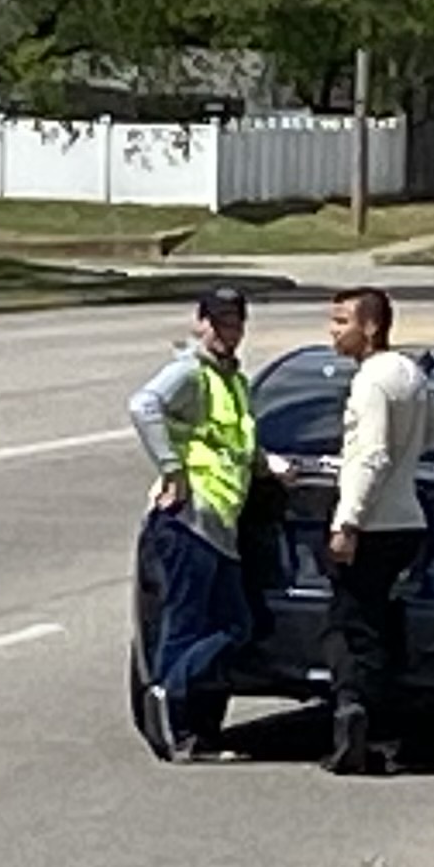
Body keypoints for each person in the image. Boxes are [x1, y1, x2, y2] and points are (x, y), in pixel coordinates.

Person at [127, 288, 265, 761]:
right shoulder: (190, 371)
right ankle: (169, 711)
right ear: (200, 322)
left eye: (235, 322)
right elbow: (143, 407)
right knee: (186, 626)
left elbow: (235, 444)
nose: (228, 331)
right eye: (220, 321)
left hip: (219, 524)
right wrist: (172, 469)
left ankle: (185, 714)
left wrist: (271, 466)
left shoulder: (232, 380)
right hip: (188, 521)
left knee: (234, 625)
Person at [319, 285, 434, 776]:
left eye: (342, 321)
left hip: (375, 523)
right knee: (384, 627)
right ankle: (387, 728)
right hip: (408, 517)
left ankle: (354, 720)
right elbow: (433, 432)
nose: (334, 330)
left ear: (370, 326)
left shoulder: (371, 381)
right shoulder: (410, 374)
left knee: (348, 626)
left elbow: (371, 454)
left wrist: (348, 521)